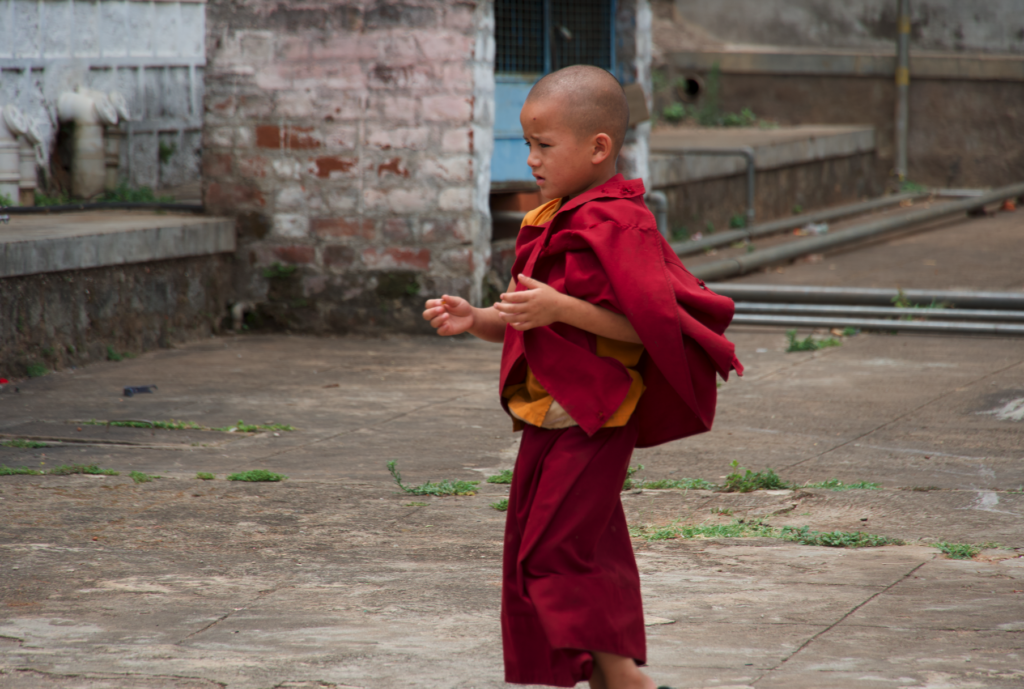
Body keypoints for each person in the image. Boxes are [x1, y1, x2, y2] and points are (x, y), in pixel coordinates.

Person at [422, 65, 742, 689]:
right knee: (574, 553)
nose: (532, 159)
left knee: (552, 555)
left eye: (545, 145)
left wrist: (560, 308)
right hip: (546, 415)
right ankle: (607, 677)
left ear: (599, 147)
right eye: (528, 144)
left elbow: (653, 327)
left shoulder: (619, 224)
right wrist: (477, 319)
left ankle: (626, 680)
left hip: (594, 418)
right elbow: (525, 321)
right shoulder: (549, 219)